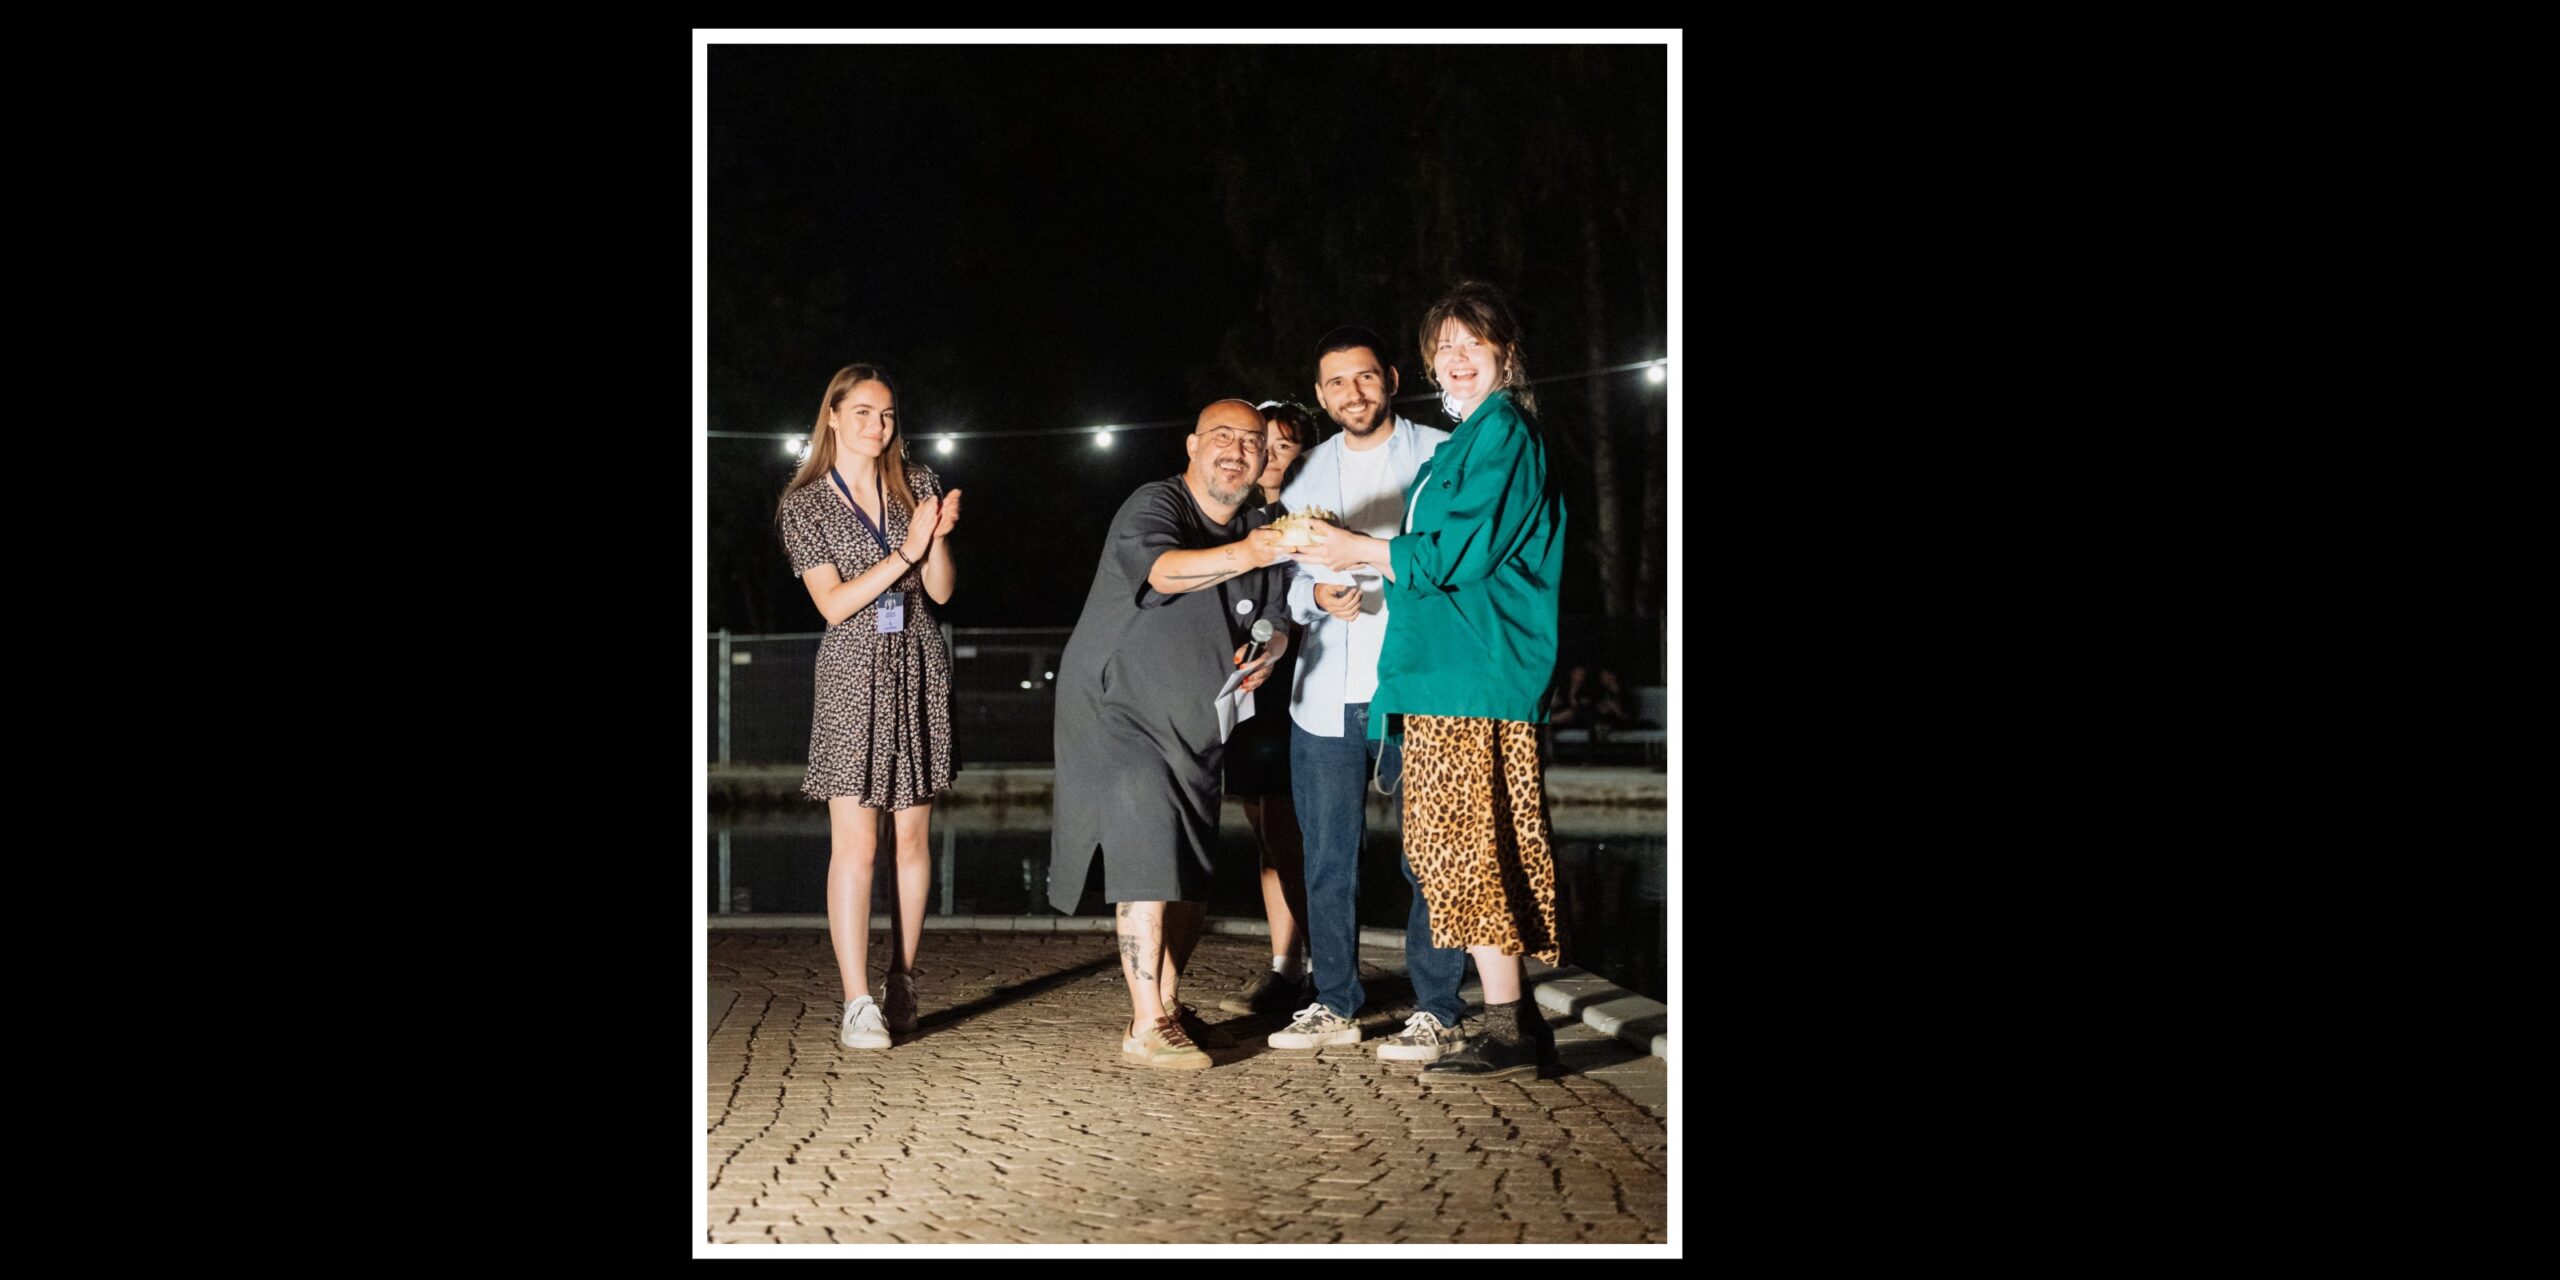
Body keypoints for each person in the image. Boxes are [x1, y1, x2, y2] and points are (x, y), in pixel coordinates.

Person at [1290, 283, 1567, 1081]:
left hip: (1470, 676)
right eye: (1443, 347)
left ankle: (1505, 1027)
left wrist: (1357, 549)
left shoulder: (1501, 432)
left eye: (1471, 343)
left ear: (1505, 352)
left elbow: (1455, 554)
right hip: (1441, 675)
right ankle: (1514, 1023)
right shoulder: (1472, 437)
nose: (1455, 358)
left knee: (1466, 854)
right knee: (1461, 855)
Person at [1049, 399, 1293, 1070]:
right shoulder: (1157, 503)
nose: (1236, 451)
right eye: (1222, 437)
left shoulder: (1264, 528)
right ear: (1191, 445)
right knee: (1147, 853)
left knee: (1190, 869)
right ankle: (1146, 1022)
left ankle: (1168, 1005)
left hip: (1198, 720)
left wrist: (1269, 652)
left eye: (1252, 442)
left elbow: (1277, 621)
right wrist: (1248, 552)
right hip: (1118, 711)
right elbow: (1161, 570)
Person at [1260, 326, 1474, 1065]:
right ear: (1321, 396)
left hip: (1418, 688)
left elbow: (1457, 564)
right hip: (1323, 694)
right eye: (1336, 383)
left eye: (1364, 377)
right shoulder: (1305, 473)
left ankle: (1438, 1009)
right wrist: (1316, 595)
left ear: (1390, 379)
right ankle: (1335, 1001)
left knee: (1430, 855)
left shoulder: (1442, 454)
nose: (1352, 393)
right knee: (1326, 858)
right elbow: (1287, 577)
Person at [774, 364, 963, 1051]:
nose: (877, 426)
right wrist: (906, 550)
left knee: (911, 839)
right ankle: (857, 1001)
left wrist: (935, 538)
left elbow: (940, 591)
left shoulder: (917, 483)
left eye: (886, 415)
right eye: (862, 412)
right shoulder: (804, 504)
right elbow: (833, 604)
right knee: (857, 843)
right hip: (853, 667)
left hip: (917, 656)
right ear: (832, 415)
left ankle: (902, 978)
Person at [1217, 401, 1318, 1017]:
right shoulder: (1240, 520)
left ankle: (1323, 966)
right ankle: (1285, 965)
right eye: (1264, 444)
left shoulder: (1318, 515)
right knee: (1261, 825)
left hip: (1303, 681)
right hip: (1249, 685)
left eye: (1285, 445)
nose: (1271, 456)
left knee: (1288, 829)